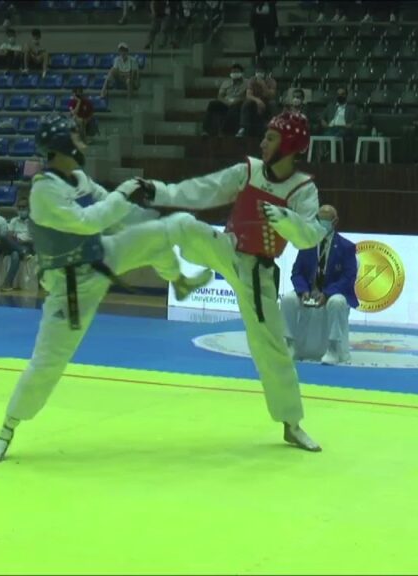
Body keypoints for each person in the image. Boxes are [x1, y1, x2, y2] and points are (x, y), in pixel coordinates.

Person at [0, 115, 213, 463]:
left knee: (166, 230)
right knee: (47, 365)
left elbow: (115, 212)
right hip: (70, 286)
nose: (84, 143)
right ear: (61, 147)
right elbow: (90, 220)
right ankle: (7, 429)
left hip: (101, 256)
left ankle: (178, 281)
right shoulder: (45, 191)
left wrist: (146, 218)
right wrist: (123, 194)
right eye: (77, 137)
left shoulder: (78, 177)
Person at [133, 110, 326, 452]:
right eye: (265, 137)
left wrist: (284, 218)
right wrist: (158, 192)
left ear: (291, 144)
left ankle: (292, 424)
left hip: (259, 274)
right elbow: (204, 190)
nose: (263, 143)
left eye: (271, 138)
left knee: (273, 350)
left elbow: (309, 236)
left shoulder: (302, 190)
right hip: (227, 250)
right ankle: (159, 262)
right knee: (181, 224)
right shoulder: (247, 171)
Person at [280, 205, 357, 365]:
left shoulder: (346, 247)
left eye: (326, 220)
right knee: (287, 299)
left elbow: (348, 277)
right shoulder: (307, 243)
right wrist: (303, 291)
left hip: (333, 292)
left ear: (335, 222)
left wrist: (327, 293)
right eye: (319, 220)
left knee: (337, 302)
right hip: (309, 291)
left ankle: (333, 348)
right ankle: (289, 343)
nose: (322, 224)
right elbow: (297, 272)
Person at [318, 86, 362, 162]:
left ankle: (328, 154)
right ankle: (325, 155)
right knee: (326, 135)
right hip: (331, 127)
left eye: (342, 94)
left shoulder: (352, 108)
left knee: (336, 135)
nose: (340, 96)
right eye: (338, 94)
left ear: (346, 95)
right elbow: (321, 116)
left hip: (344, 128)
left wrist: (352, 123)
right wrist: (323, 121)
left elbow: (361, 118)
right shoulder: (330, 106)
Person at [203, 63, 247, 137]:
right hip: (226, 102)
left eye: (236, 72)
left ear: (242, 73)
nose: (234, 73)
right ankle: (206, 130)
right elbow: (220, 96)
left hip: (239, 103)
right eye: (233, 72)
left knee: (235, 107)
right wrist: (226, 102)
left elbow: (246, 96)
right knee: (212, 104)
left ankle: (225, 132)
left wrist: (236, 101)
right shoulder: (226, 83)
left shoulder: (247, 82)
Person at [239, 64, 277, 137]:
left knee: (273, 104)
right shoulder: (252, 80)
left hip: (267, 100)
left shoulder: (271, 81)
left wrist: (263, 85)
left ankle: (273, 128)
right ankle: (243, 128)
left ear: (265, 72)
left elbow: (271, 95)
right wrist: (258, 101)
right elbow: (248, 95)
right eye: (257, 71)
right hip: (255, 100)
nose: (259, 73)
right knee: (246, 103)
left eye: (261, 71)